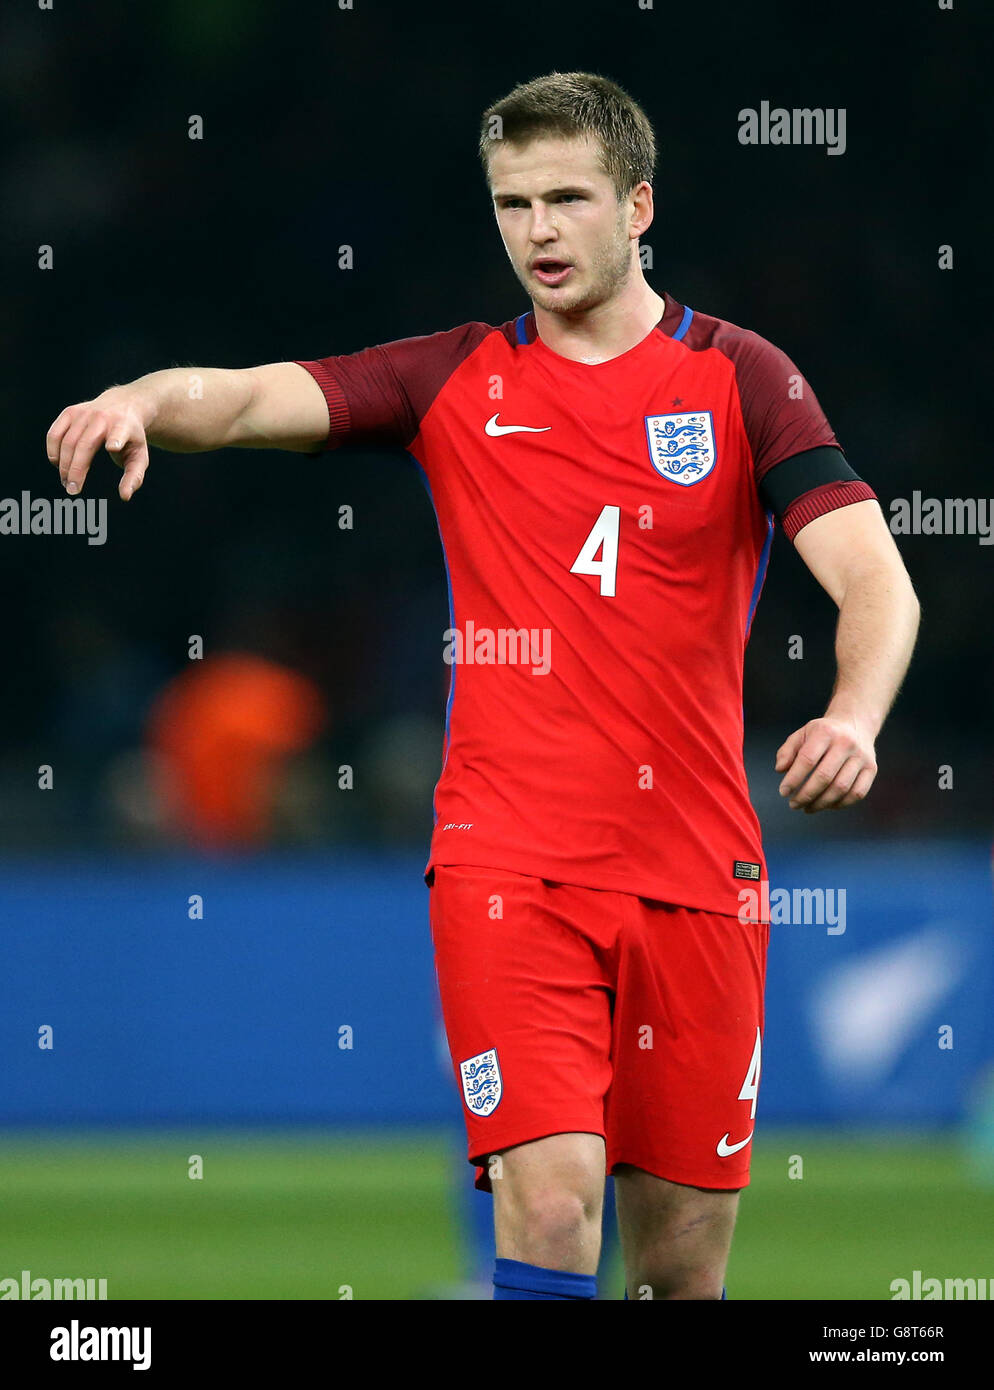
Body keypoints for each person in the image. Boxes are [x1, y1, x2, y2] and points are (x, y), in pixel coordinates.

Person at [45, 71, 921, 1300]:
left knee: (681, 1272)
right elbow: (248, 398)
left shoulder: (741, 378)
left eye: (568, 198)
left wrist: (852, 715)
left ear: (639, 206)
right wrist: (142, 396)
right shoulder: (452, 377)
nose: (540, 231)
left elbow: (877, 584)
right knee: (553, 1198)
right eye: (513, 204)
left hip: (697, 876)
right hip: (509, 864)